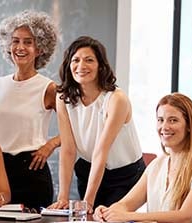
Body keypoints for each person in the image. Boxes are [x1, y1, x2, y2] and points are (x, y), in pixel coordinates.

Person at [49, 36, 145, 213]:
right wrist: (62, 197)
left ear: (101, 65)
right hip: (88, 169)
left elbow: (101, 151)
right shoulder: (63, 98)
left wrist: (88, 202)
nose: (81, 66)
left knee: (108, 217)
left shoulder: (116, 99)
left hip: (125, 174)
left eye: (89, 60)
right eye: (75, 60)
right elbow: (69, 149)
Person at [93, 93, 192, 223]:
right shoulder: (156, 165)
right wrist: (108, 212)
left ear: (189, 126)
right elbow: (125, 205)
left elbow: (185, 216)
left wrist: (129, 216)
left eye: (173, 120)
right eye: (160, 120)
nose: (164, 127)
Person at [0, 10, 59, 210]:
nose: (20, 47)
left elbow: (75, 127)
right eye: (15, 41)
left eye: (28, 42)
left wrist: (49, 145)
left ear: (40, 48)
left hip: (32, 171)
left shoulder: (49, 88)